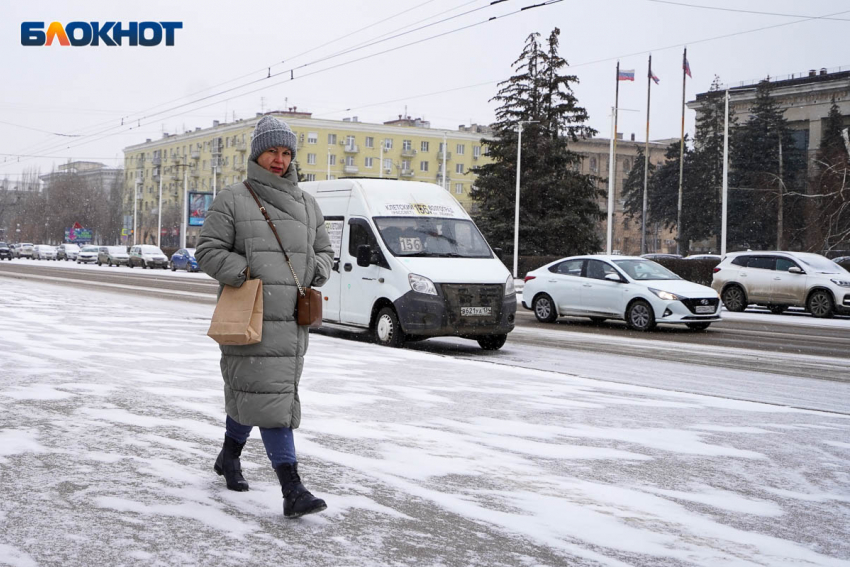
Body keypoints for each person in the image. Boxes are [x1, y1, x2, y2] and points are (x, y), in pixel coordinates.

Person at [196, 115, 334, 519]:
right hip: (249, 314)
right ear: (258, 153)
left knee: (258, 394)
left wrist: (313, 271)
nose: (279, 159)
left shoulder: (308, 204)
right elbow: (207, 250)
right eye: (273, 150)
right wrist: (247, 271)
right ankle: (292, 489)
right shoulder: (234, 198)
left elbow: (324, 251)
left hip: (291, 321)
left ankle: (228, 456)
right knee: (269, 398)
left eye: (286, 152)